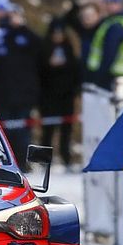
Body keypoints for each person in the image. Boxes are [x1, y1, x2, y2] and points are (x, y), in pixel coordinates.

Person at [0, 0, 41, 169]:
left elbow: (39, 48)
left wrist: (20, 26)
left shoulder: (25, 35)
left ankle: (23, 163)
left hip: (23, 93)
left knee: (22, 131)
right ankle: (5, 163)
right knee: (2, 131)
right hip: (1, 93)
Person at [39, 17, 80, 170]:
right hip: (48, 96)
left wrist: (74, 90)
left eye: (60, 33)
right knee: (47, 131)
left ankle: (66, 157)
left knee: (66, 130)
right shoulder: (44, 49)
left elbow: (75, 71)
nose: (58, 36)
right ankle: (44, 161)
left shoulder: (69, 49)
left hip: (66, 96)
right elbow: (40, 71)